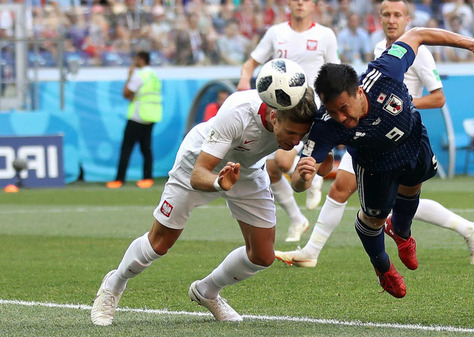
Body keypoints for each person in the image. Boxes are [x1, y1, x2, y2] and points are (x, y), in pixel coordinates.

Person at [288, 25, 474, 298]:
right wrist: (303, 177)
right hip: (375, 165)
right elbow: (299, 182)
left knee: (412, 189)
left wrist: (472, 43)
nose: (341, 118)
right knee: (371, 221)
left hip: (413, 141)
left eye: (344, 108)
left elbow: (417, 34)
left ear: (358, 91)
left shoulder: (385, 71)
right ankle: (383, 268)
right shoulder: (324, 124)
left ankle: (402, 233)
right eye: (333, 112)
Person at [91, 87, 318, 326]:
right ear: (273, 116)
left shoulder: (304, 120)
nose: (295, 142)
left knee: (262, 256)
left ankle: (206, 291)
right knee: (159, 244)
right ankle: (113, 285)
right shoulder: (238, 111)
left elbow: (298, 186)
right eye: (291, 133)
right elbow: (198, 174)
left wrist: (303, 177)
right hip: (198, 162)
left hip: (248, 171)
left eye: (299, 136)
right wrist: (220, 183)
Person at [237, 0, 340, 241]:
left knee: (282, 160)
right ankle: (298, 219)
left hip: (311, 109)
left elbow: (334, 70)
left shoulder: (325, 35)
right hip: (282, 107)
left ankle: (311, 173)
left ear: (314, 5)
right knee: (271, 169)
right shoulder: (276, 33)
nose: (300, 3)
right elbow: (251, 62)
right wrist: (244, 80)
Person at [106, 51, 162, 189]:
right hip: (151, 115)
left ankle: (119, 179)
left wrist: (129, 76)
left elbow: (126, 93)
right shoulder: (154, 75)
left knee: (127, 148)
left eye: (136, 58)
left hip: (138, 116)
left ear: (141, 59)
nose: (134, 61)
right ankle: (148, 178)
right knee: (146, 148)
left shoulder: (140, 75)